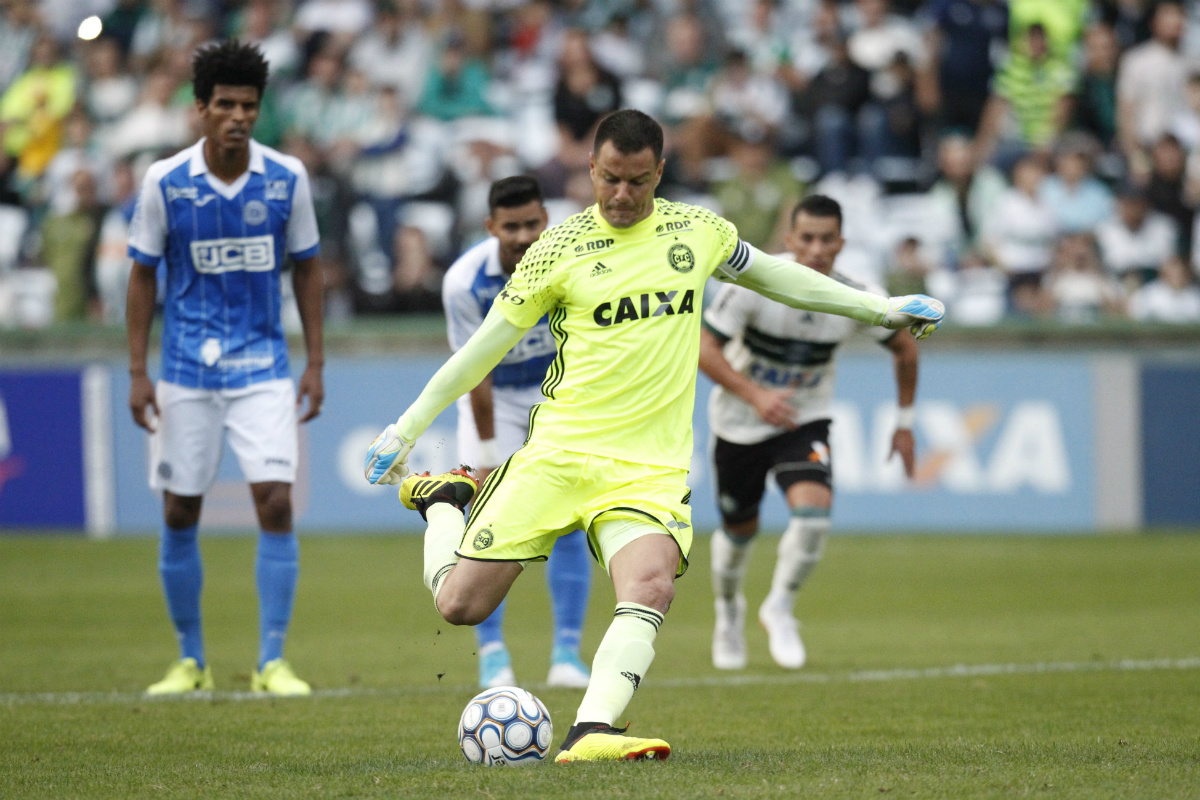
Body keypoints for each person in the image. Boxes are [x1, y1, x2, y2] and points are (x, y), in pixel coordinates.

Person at [363, 109, 942, 762]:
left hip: (648, 467)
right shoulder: (555, 251)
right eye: (609, 179)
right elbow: (479, 352)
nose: (621, 196)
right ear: (591, 170)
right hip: (557, 455)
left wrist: (879, 307)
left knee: (652, 585)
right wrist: (408, 427)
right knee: (459, 606)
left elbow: (781, 276)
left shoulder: (697, 233)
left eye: (637, 182)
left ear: (659, 173)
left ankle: (593, 730)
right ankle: (442, 502)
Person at [125, 40, 325, 696]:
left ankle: (273, 661)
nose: (238, 116)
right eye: (226, 106)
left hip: (263, 368)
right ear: (200, 110)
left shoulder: (286, 178)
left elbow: (310, 269)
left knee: (274, 501)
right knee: (181, 510)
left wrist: (315, 361)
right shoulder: (165, 182)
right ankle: (191, 661)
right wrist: (136, 369)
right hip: (184, 370)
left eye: (249, 106)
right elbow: (142, 276)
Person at [699, 194, 920, 671]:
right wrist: (755, 394)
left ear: (841, 242)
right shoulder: (753, 283)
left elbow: (906, 348)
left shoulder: (854, 294)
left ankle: (779, 607)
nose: (818, 249)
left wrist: (904, 424)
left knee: (814, 512)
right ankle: (728, 610)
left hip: (803, 419)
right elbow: (704, 348)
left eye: (827, 240)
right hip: (739, 421)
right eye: (808, 239)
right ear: (790, 240)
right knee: (740, 531)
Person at [441, 175, 593, 690]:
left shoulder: (572, 261)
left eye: (532, 223)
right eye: (512, 227)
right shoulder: (464, 283)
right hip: (497, 398)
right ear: (490, 227)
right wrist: (485, 453)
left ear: (545, 219)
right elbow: (474, 370)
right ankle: (493, 655)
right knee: (485, 521)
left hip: (557, 396)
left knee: (571, 518)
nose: (525, 236)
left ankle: (568, 654)